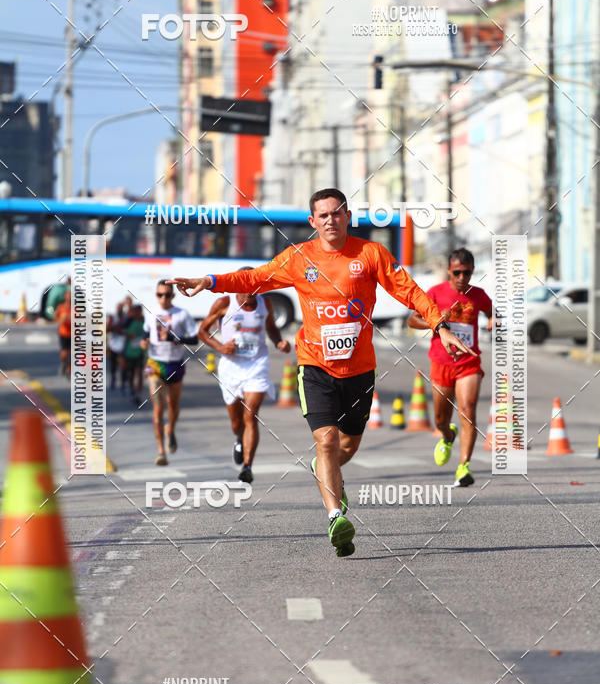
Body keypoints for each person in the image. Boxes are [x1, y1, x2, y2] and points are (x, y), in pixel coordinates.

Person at [169, 188, 474, 557]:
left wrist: (440, 325)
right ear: (313, 221)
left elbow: (409, 291)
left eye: (336, 213)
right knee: (326, 440)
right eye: (323, 215)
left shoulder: (371, 253)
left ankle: (325, 469)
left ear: (348, 217)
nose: (330, 220)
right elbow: (255, 279)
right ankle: (335, 518)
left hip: (360, 370)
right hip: (315, 365)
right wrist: (209, 281)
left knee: (347, 446)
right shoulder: (299, 257)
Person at [407, 247, 492, 487]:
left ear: (472, 271)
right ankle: (447, 435)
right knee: (440, 419)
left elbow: (491, 311)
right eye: (457, 273)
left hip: (469, 363)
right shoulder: (435, 293)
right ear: (448, 271)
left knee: (468, 410)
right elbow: (412, 319)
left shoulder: (478, 295)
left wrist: (493, 320)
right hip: (442, 363)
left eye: (467, 273)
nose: (462, 278)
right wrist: (435, 321)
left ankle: (464, 467)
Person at [197, 269, 291, 484]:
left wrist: (279, 342)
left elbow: (271, 328)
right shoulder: (224, 303)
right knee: (236, 423)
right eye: (246, 288)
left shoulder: (265, 304)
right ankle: (239, 439)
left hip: (257, 365)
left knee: (251, 415)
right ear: (237, 286)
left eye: (255, 288)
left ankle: (247, 467)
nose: (251, 293)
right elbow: (202, 331)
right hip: (231, 367)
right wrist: (221, 347)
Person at [140, 280, 198, 465]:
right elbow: (146, 332)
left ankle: (170, 429)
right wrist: (144, 341)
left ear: (172, 296)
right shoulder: (150, 313)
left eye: (166, 295)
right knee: (158, 409)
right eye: (160, 294)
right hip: (155, 364)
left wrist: (174, 338)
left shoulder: (182, 314)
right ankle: (161, 452)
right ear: (156, 295)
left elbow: (195, 338)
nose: (163, 298)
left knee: (173, 406)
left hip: (175, 364)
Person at [124, 303, 145, 405]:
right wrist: (129, 335)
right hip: (130, 352)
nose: (138, 313)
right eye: (136, 311)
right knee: (131, 373)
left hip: (140, 351)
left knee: (140, 372)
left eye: (139, 311)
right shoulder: (129, 321)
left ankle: (138, 394)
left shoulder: (144, 321)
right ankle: (132, 389)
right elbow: (124, 332)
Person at [54, 289, 71, 377]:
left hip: (73, 334)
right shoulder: (61, 307)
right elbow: (55, 318)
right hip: (63, 333)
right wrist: (62, 319)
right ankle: (63, 363)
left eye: (70, 296)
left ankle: (69, 368)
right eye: (68, 296)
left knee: (72, 353)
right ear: (65, 297)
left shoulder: (75, 308)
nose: (69, 297)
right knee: (64, 353)